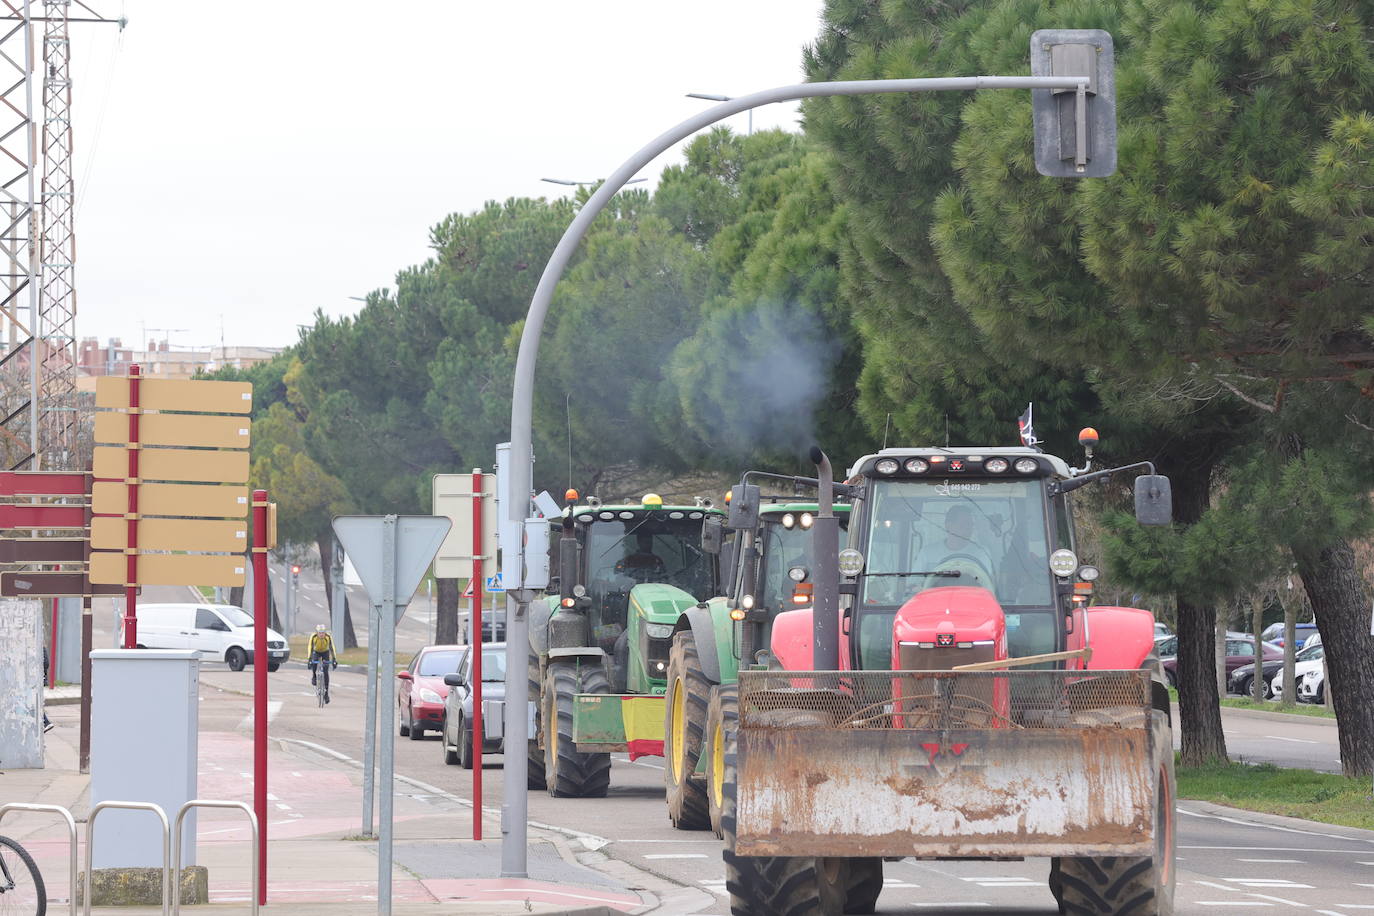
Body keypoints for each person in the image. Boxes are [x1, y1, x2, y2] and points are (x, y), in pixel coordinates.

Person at [308, 624, 337, 704]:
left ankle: (326, 694)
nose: (321, 634)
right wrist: (309, 659)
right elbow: (310, 647)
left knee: (326, 671)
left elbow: (332, 648)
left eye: (323, 633)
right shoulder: (313, 637)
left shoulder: (328, 637)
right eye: (320, 633)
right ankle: (314, 676)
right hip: (316, 652)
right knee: (314, 663)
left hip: (325, 652)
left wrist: (334, 659)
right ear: (317, 632)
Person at [42, 646, 52, 732]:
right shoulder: (41, 647)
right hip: (40, 680)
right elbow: (46, 664)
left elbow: (46, 663)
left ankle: (45, 722)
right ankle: (45, 722)